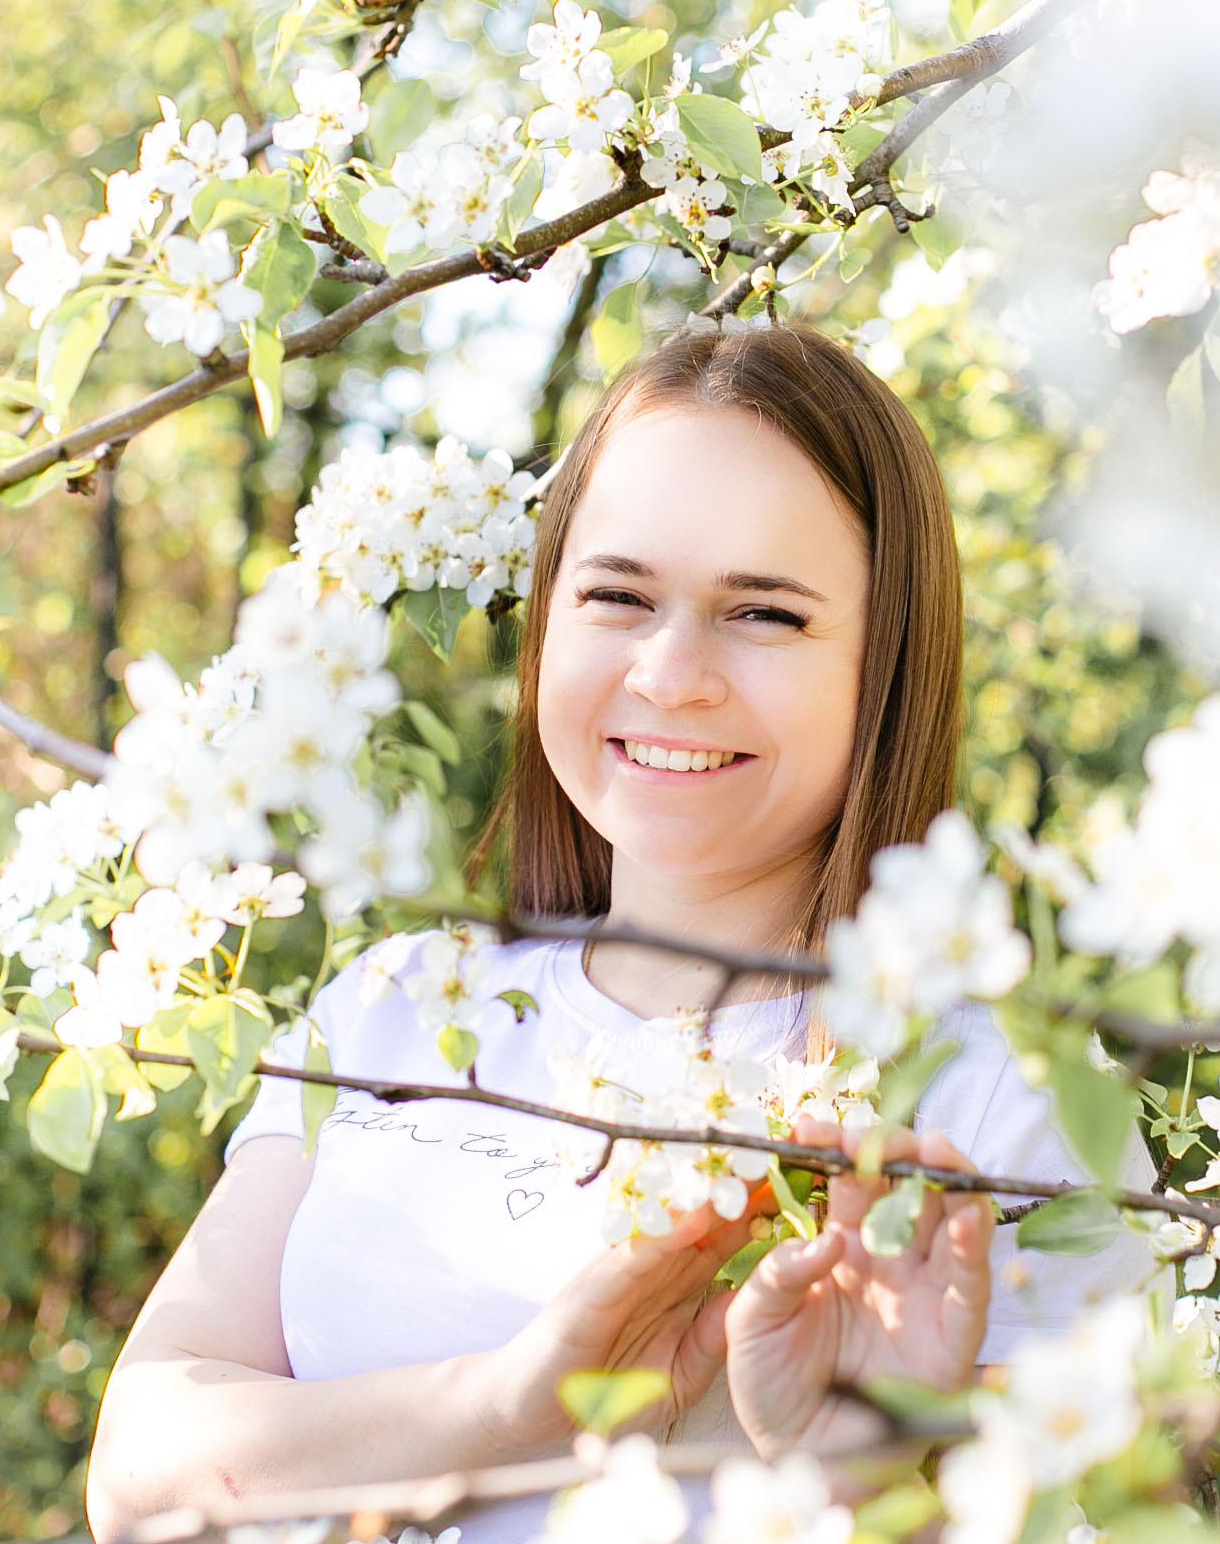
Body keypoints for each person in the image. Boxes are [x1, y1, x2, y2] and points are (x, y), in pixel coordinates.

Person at [86, 326, 1154, 1542]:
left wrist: (869, 1478)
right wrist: (510, 1402)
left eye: (763, 612)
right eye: (617, 594)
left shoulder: (1010, 1114)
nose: (669, 670)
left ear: (886, 662)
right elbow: (138, 1471)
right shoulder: (399, 1001)